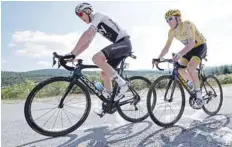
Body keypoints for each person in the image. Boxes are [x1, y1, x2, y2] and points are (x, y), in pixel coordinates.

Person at [64, 3, 132, 114]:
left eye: (81, 14)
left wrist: (72, 53)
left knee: (96, 58)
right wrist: (74, 55)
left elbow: (87, 34)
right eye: (78, 16)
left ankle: (123, 84)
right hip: (119, 45)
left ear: (88, 11)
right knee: (105, 74)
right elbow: (87, 43)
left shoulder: (98, 16)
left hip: (124, 43)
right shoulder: (96, 25)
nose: (81, 18)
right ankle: (110, 102)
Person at [154, 9, 207, 109]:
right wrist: (159, 58)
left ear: (178, 18)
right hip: (189, 49)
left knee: (190, 68)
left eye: (170, 19)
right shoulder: (171, 32)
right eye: (167, 20)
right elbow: (167, 47)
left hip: (199, 46)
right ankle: (192, 83)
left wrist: (179, 54)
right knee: (179, 68)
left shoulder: (187, 25)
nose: (168, 22)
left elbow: (192, 43)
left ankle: (199, 97)